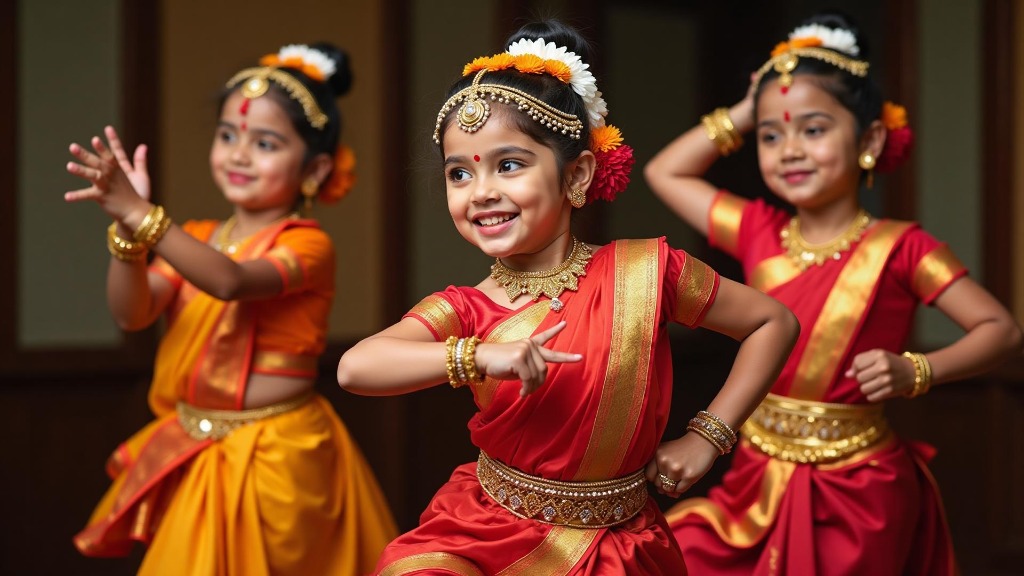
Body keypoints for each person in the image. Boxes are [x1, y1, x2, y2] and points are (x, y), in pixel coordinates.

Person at [336, 20, 799, 575]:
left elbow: (772, 322)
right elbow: (354, 368)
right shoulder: (467, 308)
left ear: (577, 174)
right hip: (484, 532)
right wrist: (477, 355)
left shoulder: (647, 273)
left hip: (620, 546)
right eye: (460, 173)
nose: (482, 192)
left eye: (509, 165)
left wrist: (708, 436)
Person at [645, 12, 1024, 575]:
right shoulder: (758, 228)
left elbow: (1003, 331)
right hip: (755, 471)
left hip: (860, 487)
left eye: (814, 129)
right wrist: (751, 109)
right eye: (772, 135)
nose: (789, 149)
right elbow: (664, 172)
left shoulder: (904, 248)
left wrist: (917, 370)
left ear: (869, 139)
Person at [64, 43, 397, 575]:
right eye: (227, 135)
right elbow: (134, 313)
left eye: (264, 143)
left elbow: (230, 280)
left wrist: (143, 214)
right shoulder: (194, 239)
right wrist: (127, 235)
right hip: (195, 450)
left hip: (279, 455)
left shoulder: (308, 246)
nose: (238, 154)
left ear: (314, 170)